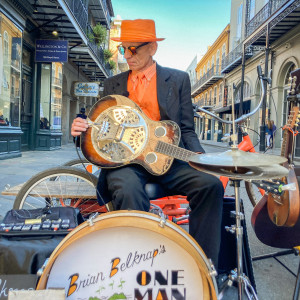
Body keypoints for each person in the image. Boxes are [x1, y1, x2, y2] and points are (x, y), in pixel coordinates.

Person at [71, 19, 224, 269]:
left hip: (168, 157)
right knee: (128, 188)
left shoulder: (178, 80)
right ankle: (139, 266)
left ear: (152, 47)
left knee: (211, 185)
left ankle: (203, 267)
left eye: (133, 49)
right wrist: (79, 128)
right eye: (123, 49)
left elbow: (186, 129)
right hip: (125, 162)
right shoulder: (113, 85)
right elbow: (97, 126)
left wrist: (199, 157)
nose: (127, 55)